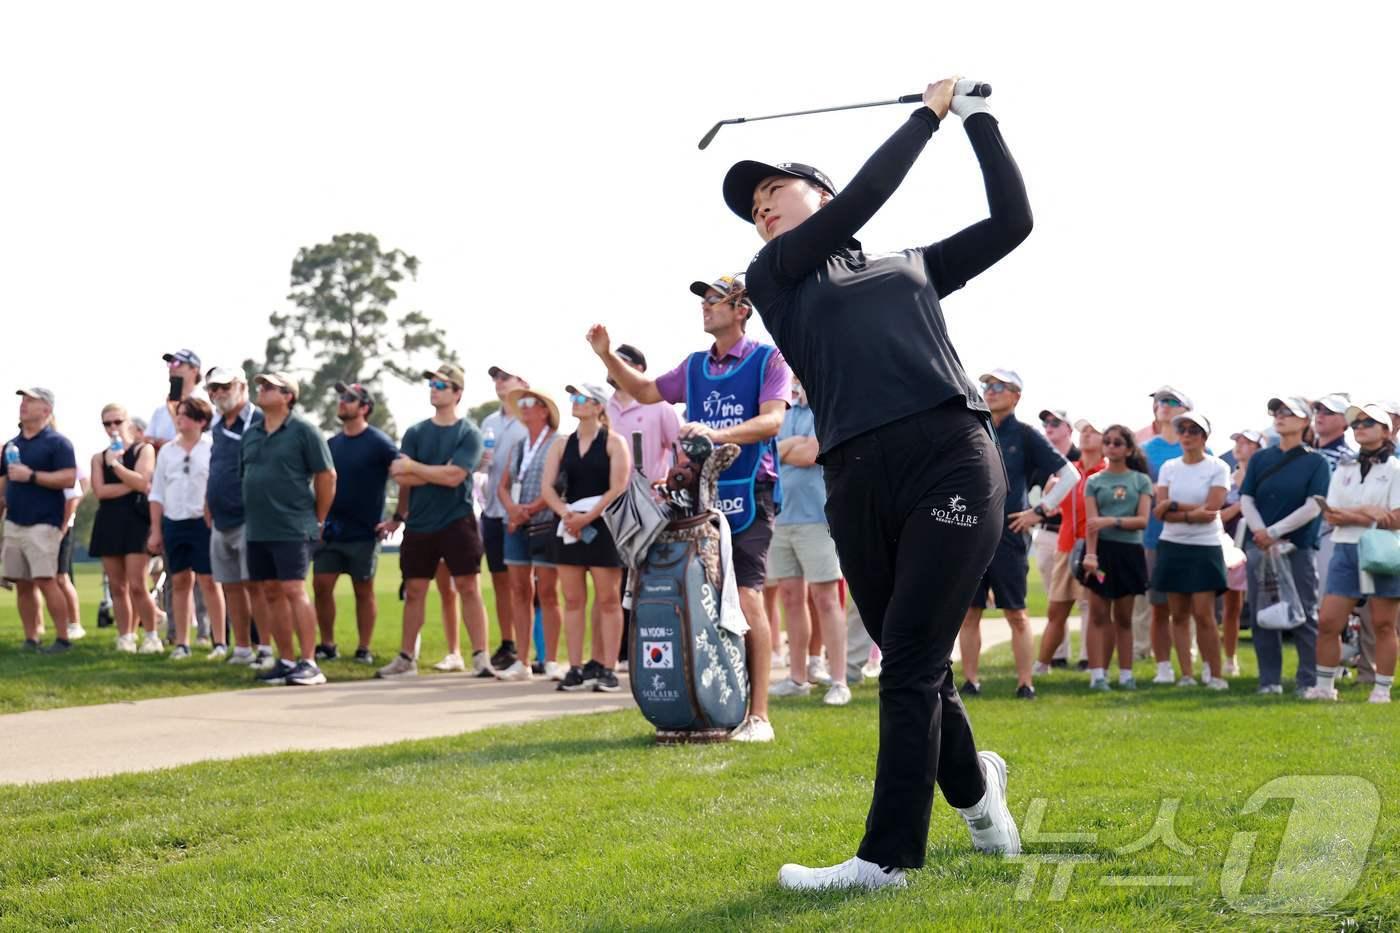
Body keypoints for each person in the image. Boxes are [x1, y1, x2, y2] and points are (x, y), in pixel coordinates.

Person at [718, 77, 1029, 889]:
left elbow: (1013, 222)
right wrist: (926, 117)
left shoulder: (913, 265)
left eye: (771, 192)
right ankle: (978, 795)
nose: (762, 210)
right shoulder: (774, 274)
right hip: (855, 475)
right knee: (910, 654)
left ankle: (886, 859)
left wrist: (977, 120)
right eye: (753, 206)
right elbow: (859, 201)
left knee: (913, 657)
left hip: (951, 454)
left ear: (812, 190)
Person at [589, 273, 791, 741]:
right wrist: (604, 354)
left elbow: (772, 419)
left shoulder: (767, 358)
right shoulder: (695, 365)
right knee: (700, 600)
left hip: (750, 492)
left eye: (716, 300)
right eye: (704, 300)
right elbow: (643, 390)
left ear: (742, 309)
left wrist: (716, 434)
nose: (706, 306)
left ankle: (759, 715)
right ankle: (712, 702)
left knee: (746, 597)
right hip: (699, 499)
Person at [959, 369, 1079, 699]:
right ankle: (970, 681)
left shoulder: (1025, 435)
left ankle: (1025, 682)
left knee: (1016, 612)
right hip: (971, 532)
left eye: (1000, 386)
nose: (991, 391)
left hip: (1010, 534)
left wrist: (1038, 511)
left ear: (1016, 396)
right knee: (969, 612)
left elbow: (1070, 474)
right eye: (987, 385)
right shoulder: (973, 429)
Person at [375, 364, 494, 680]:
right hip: (420, 523)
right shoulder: (415, 432)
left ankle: (481, 657)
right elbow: (401, 476)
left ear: (457, 393)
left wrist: (418, 468)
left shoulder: (468, 432)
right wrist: (401, 512)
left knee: (468, 587)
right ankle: (405, 659)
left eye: (442, 385)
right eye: (432, 384)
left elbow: (455, 477)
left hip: (458, 520)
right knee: (414, 590)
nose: (434, 389)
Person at [241, 373, 336, 687]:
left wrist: (318, 518)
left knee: (294, 589)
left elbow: (326, 476)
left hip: (293, 525)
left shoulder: (304, 431)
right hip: (258, 526)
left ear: (288, 396)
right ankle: (285, 660)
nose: (262, 390)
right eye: (261, 386)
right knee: (270, 592)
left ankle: (309, 662)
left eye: (269, 387)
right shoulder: (252, 432)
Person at [539, 383, 631, 693]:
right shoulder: (562, 444)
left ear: (598, 406)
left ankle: (607, 667)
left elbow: (617, 487)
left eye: (581, 398)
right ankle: (576, 667)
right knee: (573, 599)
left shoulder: (614, 442)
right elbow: (547, 488)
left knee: (608, 599)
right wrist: (566, 514)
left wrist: (586, 519)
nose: (574, 402)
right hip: (569, 527)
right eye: (572, 397)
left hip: (602, 526)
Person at [1307, 403, 1400, 703]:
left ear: (1386, 431)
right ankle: (1324, 687)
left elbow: (1396, 518)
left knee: (1384, 623)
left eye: (1368, 422)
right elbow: (1331, 514)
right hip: (1345, 548)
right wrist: (1368, 512)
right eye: (1356, 423)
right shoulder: (1344, 467)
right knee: (1328, 621)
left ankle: (1382, 688)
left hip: (1382, 549)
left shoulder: (1396, 469)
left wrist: (1354, 514)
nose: (1360, 427)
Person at [766, 377, 850, 706]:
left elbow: (812, 453)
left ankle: (839, 680)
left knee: (826, 599)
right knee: (790, 598)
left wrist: (787, 448)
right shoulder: (780, 411)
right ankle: (797, 677)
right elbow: (770, 455)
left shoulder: (824, 408)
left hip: (817, 518)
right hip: (781, 518)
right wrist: (790, 447)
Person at [1239, 399, 1330, 695]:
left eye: (1288, 412)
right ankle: (1269, 681)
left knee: (1304, 611)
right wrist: (1260, 532)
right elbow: (1247, 498)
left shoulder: (1316, 462)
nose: (1281, 417)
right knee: (1262, 612)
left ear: (1305, 421)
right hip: (1261, 548)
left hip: (1298, 547)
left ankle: (1308, 680)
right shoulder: (1260, 459)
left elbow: (1313, 506)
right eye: (1277, 412)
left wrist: (1275, 531)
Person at [605, 342, 680, 670]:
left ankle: (646, 647)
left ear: (637, 369)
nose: (612, 367)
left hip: (649, 509)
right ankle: (620, 652)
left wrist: (670, 486)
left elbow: (680, 450)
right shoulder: (601, 407)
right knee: (614, 583)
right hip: (609, 509)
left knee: (646, 581)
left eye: (620, 362)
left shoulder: (658, 406)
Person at [312, 383, 398, 664]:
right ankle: (327, 645)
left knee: (364, 590)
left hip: (364, 531)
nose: (342, 402)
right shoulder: (331, 444)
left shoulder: (379, 443)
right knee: (321, 586)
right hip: (331, 531)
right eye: (340, 397)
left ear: (364, 408)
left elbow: (404, 473)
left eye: (349, 399)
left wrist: (397, 518)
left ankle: (363, 649)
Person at [1150, 411, 1230, 690]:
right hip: (1173, 544)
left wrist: (1174, 506)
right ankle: (1186, 674)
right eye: (1182, 430)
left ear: (1204, 437)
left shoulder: (1217, 467)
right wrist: (1188, 512)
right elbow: (1160, 510)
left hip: (1205, 546)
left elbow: (1212, 508)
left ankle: (1215, 673)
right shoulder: (1169, 467)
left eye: (1193, 431)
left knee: (1204, 612)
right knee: (1178, 613)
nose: (1186, 435)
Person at [148, 397, 227, 660]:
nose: (178, 419)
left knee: (209, 581)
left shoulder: (212, 449)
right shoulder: (168, 452)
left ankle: (219, 642)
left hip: (202, 523)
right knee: (179, 581)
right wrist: (156, 530)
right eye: (178, 414)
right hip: (174, 521)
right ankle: (182, 642)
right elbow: (157, 493)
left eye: (185, 415)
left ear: (201, 421)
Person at [1, 388, 79, 652]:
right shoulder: (12, 445)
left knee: (46, 580)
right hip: (14, 522)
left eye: (30, 401)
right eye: (23, 400)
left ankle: (62, 638)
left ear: (46, 410)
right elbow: (3, 483)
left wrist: (32, 476)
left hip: (43, 523)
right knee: (21, 582)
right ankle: (32, 638)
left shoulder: (58, 443)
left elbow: (69, 478)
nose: (23, 405)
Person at [496, 386, 563, 681]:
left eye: (529, 402)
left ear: (544, 409)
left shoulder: (557, 442)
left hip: (546, 523)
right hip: (516, 524)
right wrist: (513, 509)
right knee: (519, 591)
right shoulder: (519, 445)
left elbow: (559, 485)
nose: (523, 407)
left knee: (548, 592)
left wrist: (529, 510)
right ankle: (521, 661)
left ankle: (550, 659)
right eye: (520, 403)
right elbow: (503, 485)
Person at [1081, 425, 1153, 690]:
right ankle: (1097, 674)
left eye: (1118, 443)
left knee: (1124, 616)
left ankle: (1126, 674)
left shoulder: (1140, 481)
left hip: (1129, 552)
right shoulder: (1094, 481)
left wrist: (1112, 520)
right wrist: (1090, 555)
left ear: (1129, 449)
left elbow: (1143, 520)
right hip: (1101, 551)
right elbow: (1091, 523)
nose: (1112, 447)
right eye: (1108, 442)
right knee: (1098, 614)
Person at [205, 367, 267, 665]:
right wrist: (208, 502)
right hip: (221, 516)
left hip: (250, 516)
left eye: (224, 386)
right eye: (212, 389)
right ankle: (242, 647)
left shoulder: (259, 420)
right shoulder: (217, 424)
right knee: (230, 585)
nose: (218, 393)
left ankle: (265, 647)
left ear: (241, 386)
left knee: (255, 584)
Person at [1034, 419, 1105, 680]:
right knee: (1057, 609)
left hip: (1098, 549)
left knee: (1093, 608)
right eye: (1084, 430)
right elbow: (1050, 506)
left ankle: (1091, 662)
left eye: (1094, 431)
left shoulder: (1107, 471)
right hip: (1066, 546)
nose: (1087, 435)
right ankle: (1043, 664)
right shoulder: (1068, 472)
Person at [88, 404, 161, 653]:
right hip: (109, 522)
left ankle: (152, 635)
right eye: (107, 424)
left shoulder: (144, 450)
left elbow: (143, 482)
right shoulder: (99, 457)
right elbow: (100, 491)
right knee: (117, 586)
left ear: (127, 422)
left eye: (117, 422)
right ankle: (125, 636)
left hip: (136, 522)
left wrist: (118, 468)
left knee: (138, 584)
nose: (113, 428)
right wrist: (131, 483)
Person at [1139, 385, 1197, 683]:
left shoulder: (1201, 448)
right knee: (1159, 606)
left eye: (1172, 400)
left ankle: (1191, 666)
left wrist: (1172, 503)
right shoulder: (1146, 450)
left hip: (1194, 538)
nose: (1164, 405)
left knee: (1191, 607)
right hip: (1155, 537)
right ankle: (1163, 667)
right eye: (1160, 400)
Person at [477, 365, 529, 672]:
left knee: (527, 585)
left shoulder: (531, 419)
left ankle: (533, 649)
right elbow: (485, 464)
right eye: (496, 378)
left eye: (505, 377)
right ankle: (508, 643)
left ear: (522, 381)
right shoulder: (489, 422)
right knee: (499, 580)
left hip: (522, 512)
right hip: (492, 509)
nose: (499, 383)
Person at [1034, 407, 1084, 669]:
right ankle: (1059, 654)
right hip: (1047, 533)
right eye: (1046, 423)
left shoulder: (1081, 456)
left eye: (1055, 422)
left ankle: (1088, 657)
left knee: (1086, 600)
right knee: (1055, 600)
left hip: (1079, 538)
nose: (1049, 426)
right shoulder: (1042, 457)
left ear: (1069, 429)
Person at [1218, 428, 1264, 676]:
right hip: (1231, 547)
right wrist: (1241, 505)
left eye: (1247, 442)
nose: (1240, 446)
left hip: (1256, 544)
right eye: (1238, 441)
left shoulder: (1263, 478)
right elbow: (1220, 514)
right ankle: (1229, 659)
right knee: (1231, 606)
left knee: (1259, 604)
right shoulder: (1226, 479)